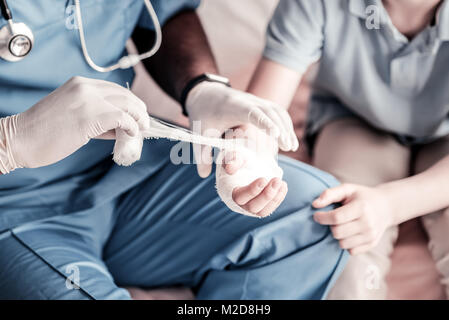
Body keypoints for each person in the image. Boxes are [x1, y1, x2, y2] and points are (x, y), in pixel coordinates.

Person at [0, 0, 347, 299]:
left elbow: (160, 12)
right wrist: (11, 142)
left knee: (318, 216)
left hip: (127, 160)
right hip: (18, 202)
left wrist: (202, 86)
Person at [248, 0, 449, 299]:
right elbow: (257, 122)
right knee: (342, 231)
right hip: (353, 118)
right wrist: (246, 166)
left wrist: (390, 205)